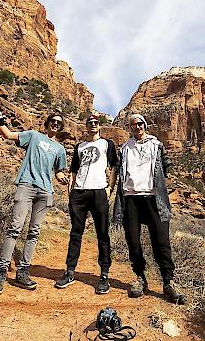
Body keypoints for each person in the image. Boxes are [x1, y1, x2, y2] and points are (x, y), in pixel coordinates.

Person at [0, 112, 69, 295]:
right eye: (53, 121)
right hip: (27, 185)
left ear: (60, 127)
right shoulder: (33, 135)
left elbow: (58, 171)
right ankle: (1, 273)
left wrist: (62, 178)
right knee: (15, 228)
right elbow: (8, 135)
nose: (55, 124)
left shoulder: (60, 149)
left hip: (45, 190)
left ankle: (22, 271)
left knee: (34, 232)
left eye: (59, 123)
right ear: (47, 123)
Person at [112, 113, 185, 304]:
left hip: (154, 198)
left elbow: (166, 165)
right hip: (130, 199)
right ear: (130, 128)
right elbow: (117, 170)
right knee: (133, 242)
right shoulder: (125, 148)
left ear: (144, 125)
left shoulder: (156, 144)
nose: (137, 127)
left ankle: (168, 282)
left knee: (161, 241)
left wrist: (159, 184)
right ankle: (140, 278)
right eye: (133, 125)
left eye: (140, 124)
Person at [55, 114, 118, 294]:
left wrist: (109, 189)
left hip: (99, 191)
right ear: (86, 126)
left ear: (99, 126)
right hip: (79, 192)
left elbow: (114, 166)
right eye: (89, 123)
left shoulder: (107, 144)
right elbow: (74, 170)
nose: (92, 125)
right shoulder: (80, 146)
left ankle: (104, 274)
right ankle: (69, 271)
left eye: (95, 123)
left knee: (102, 234)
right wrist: (70, 190)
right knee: (76, 233)